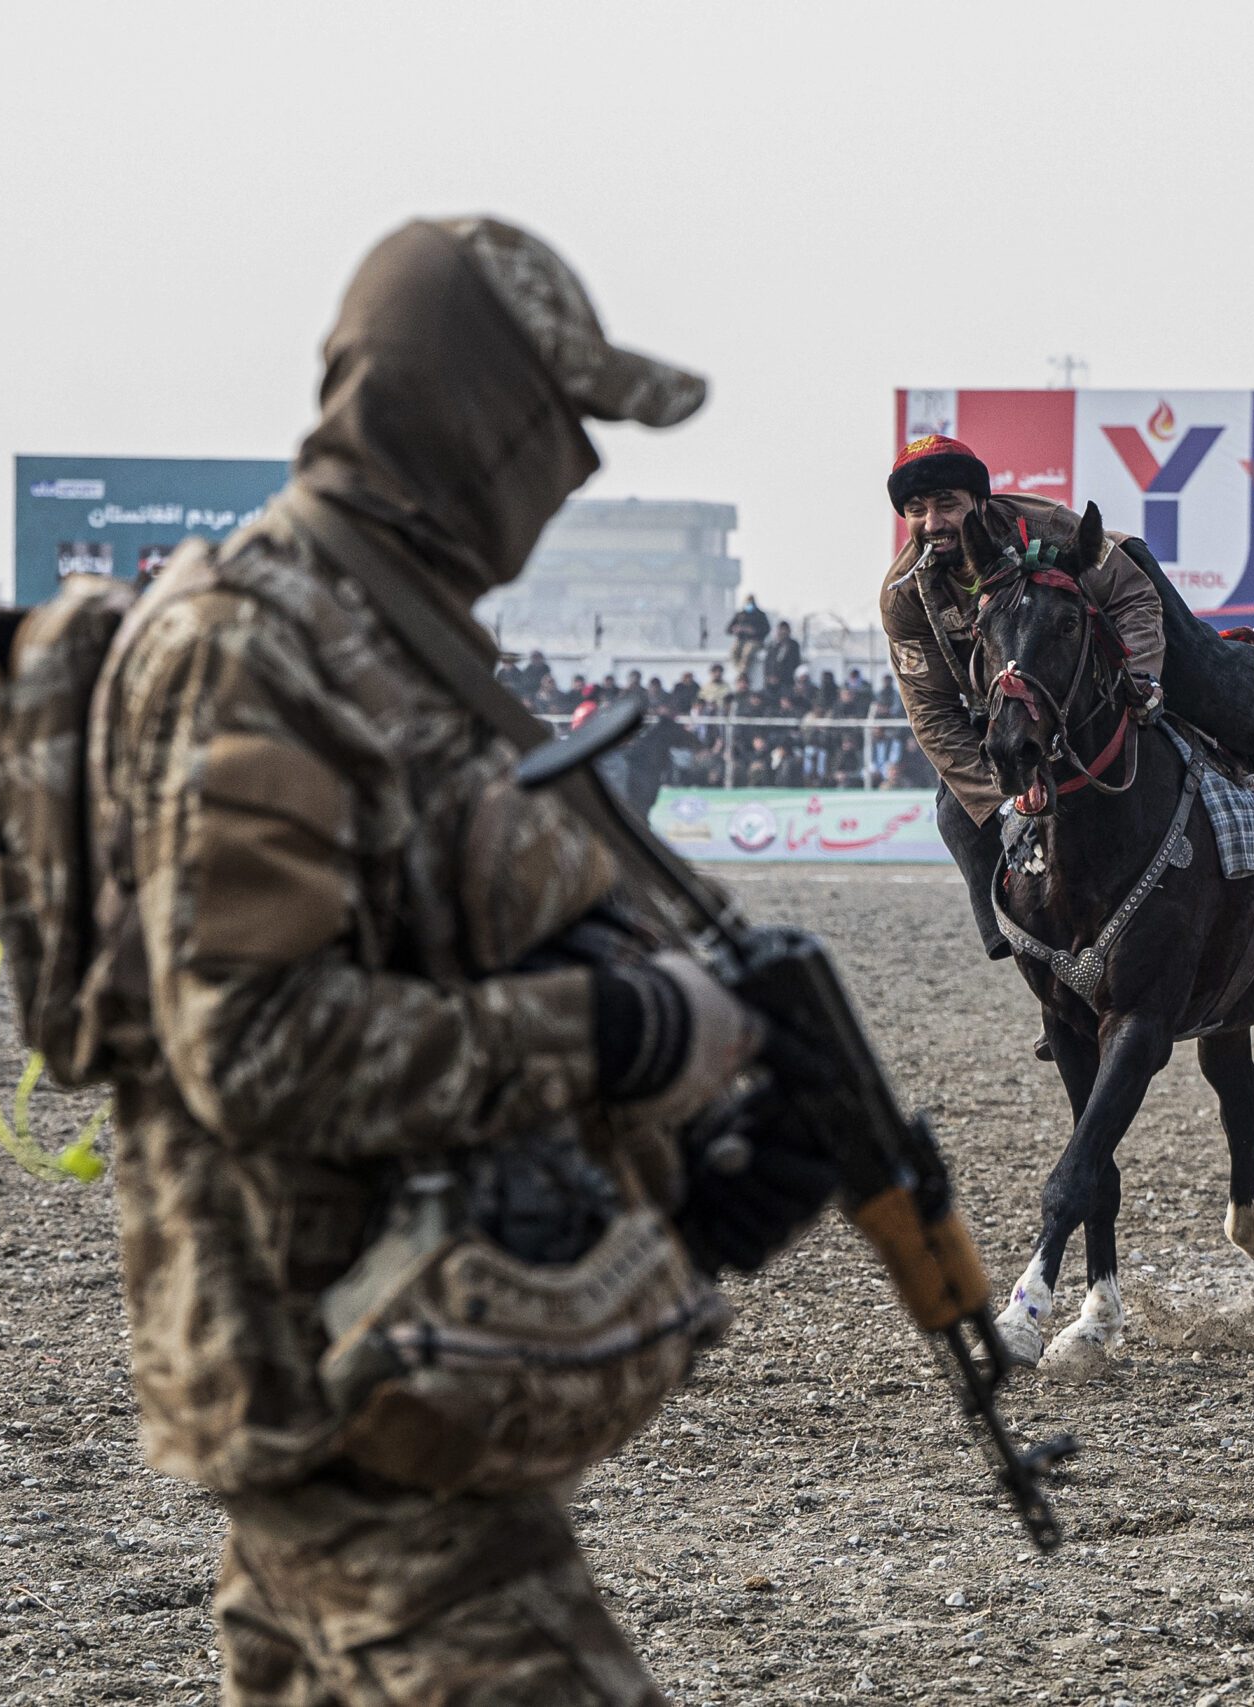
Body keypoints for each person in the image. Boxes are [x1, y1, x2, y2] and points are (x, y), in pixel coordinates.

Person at [93, 217, 832, 1703]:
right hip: (322, 1361)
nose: (582, 470)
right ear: (475, 418)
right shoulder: (257, 644)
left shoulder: (391, 634)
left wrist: (693, 1180)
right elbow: (247, 1041)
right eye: (562, 426)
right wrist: (619, 1033)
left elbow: (427, 949)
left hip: (388, 1350)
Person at [880, 433, 1254, 958]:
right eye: (917, 510)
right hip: (1013, 703)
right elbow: (932, 714)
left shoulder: (1046, 525)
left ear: (978, 502)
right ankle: (1025, 951)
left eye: (947, 505)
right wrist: (1003, 794)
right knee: (956, 812)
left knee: (1208, 676)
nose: (932, 523)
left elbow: (1132, 597)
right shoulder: (903, 598)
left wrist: (1143, 677)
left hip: (1107, 640)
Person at [727, 594, 770, 678]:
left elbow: (766, 629)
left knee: (748, 650)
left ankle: (743, 671)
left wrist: (754, 631)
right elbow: (728, 629)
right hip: (741, 640)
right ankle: (739, 670)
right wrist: (736, 629)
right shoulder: (740, 615)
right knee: (734, 651)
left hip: (755, 641)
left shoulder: (760, 615)